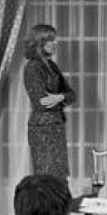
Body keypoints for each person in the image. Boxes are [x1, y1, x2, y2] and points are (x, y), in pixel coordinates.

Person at [23, 23, 75, 178]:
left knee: (59, 174)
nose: (56, 43)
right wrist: (61, 97)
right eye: (51, 40)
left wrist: (59, 97)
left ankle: (61, 202)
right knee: (46, 176)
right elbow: (41, 101)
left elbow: (71, 95)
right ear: (40, 43)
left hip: (56, 127)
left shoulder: (52, 65)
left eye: (55, 39)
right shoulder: (33, 67)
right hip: (42, 129)